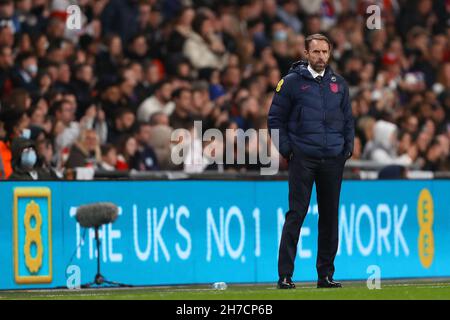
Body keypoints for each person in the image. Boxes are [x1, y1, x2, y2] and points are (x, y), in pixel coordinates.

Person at [268, 34, 354, 289]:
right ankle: (285, 275)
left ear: (330, 54)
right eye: (315, 52)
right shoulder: (291, 83)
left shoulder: (339, 84)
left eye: (324, 52)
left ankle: (325, 275)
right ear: (306, 53)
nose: (320, 56)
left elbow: (348, 120)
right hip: (303, 158)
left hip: (332, 159)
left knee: (329, 217)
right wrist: (288, 151)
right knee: (297, 214)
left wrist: (346, 149)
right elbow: (274, 120)